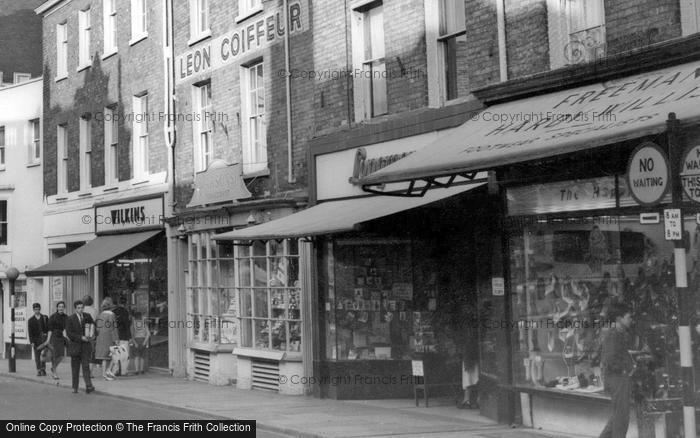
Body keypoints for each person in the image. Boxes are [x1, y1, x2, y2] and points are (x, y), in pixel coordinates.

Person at [599, 303, 634, 438]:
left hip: (618, 378)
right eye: (628, 317)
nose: (631, 320)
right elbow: (610, 360)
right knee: (621, 419)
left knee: (616, 417)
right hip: (617, 379)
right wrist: (626, 370)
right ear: (619, 319)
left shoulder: (618, 334)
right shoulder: (613, 335)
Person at [65, 300, 95, 394]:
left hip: (86, 346)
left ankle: (88, 386)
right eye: (79, 308)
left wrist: (92, 335)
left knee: (86, 366)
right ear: (75, 309)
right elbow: (69, 334)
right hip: (75, 347)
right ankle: (75, 387)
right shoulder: (70, 319)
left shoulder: (87, 316)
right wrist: (81, 337)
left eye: (82, 307)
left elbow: (93, 327)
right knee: (75, 368)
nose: (81, 309)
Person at [95, 298, 119, 380]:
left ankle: (105, 373)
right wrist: (116, 339)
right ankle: (107, 372)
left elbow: (97, 327)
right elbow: (113, 327)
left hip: (101, 337)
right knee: (112, 355)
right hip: (109, 336)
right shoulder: (111, 314)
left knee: (104, 356)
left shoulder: (100, 315)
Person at [46, 301, 68, 380]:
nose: (61, 308)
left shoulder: (66, 317)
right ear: (57, 308)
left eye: (62, 307)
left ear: (64, 308)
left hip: (62, 337)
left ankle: (53, 367)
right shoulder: (53, 317)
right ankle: (54, 373)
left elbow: (67, 328)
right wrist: (48, 340)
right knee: (55, 355)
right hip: (54, 337)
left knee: (61, 355)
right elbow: (50, 329)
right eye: (59, 306)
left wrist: (67, 336)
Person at [27, 303, 49, 376]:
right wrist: (32, 342)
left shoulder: (45, 317)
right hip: (36, 340)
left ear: (40, 309)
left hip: (44, 339)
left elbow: (48, 329)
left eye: (38, 309)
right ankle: (38, 370)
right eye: (35, 309)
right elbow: (30, 332)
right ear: (33, 310)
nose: (37, 310)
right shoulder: (30, 320)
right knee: (37, 356)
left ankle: (43, 369)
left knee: (43, 355)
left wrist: (48, 338)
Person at [112, 296, 131, 376]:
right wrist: (129, 336)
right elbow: (127, 325)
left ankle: (115, 370)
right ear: (126, 303)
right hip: (124, 335)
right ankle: (123, 371)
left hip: (116, 335)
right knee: (125, 354)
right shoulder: (125, 312)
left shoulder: (114, 311)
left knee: (116, 354)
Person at [82, 295, 98, 377]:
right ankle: (90, 372)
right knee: (91, 353)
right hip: (92, 334)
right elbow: (96, 323)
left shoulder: (81, 310)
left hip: (83, 334)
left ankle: (84, 372)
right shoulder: (95, 311)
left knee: (83, 353)